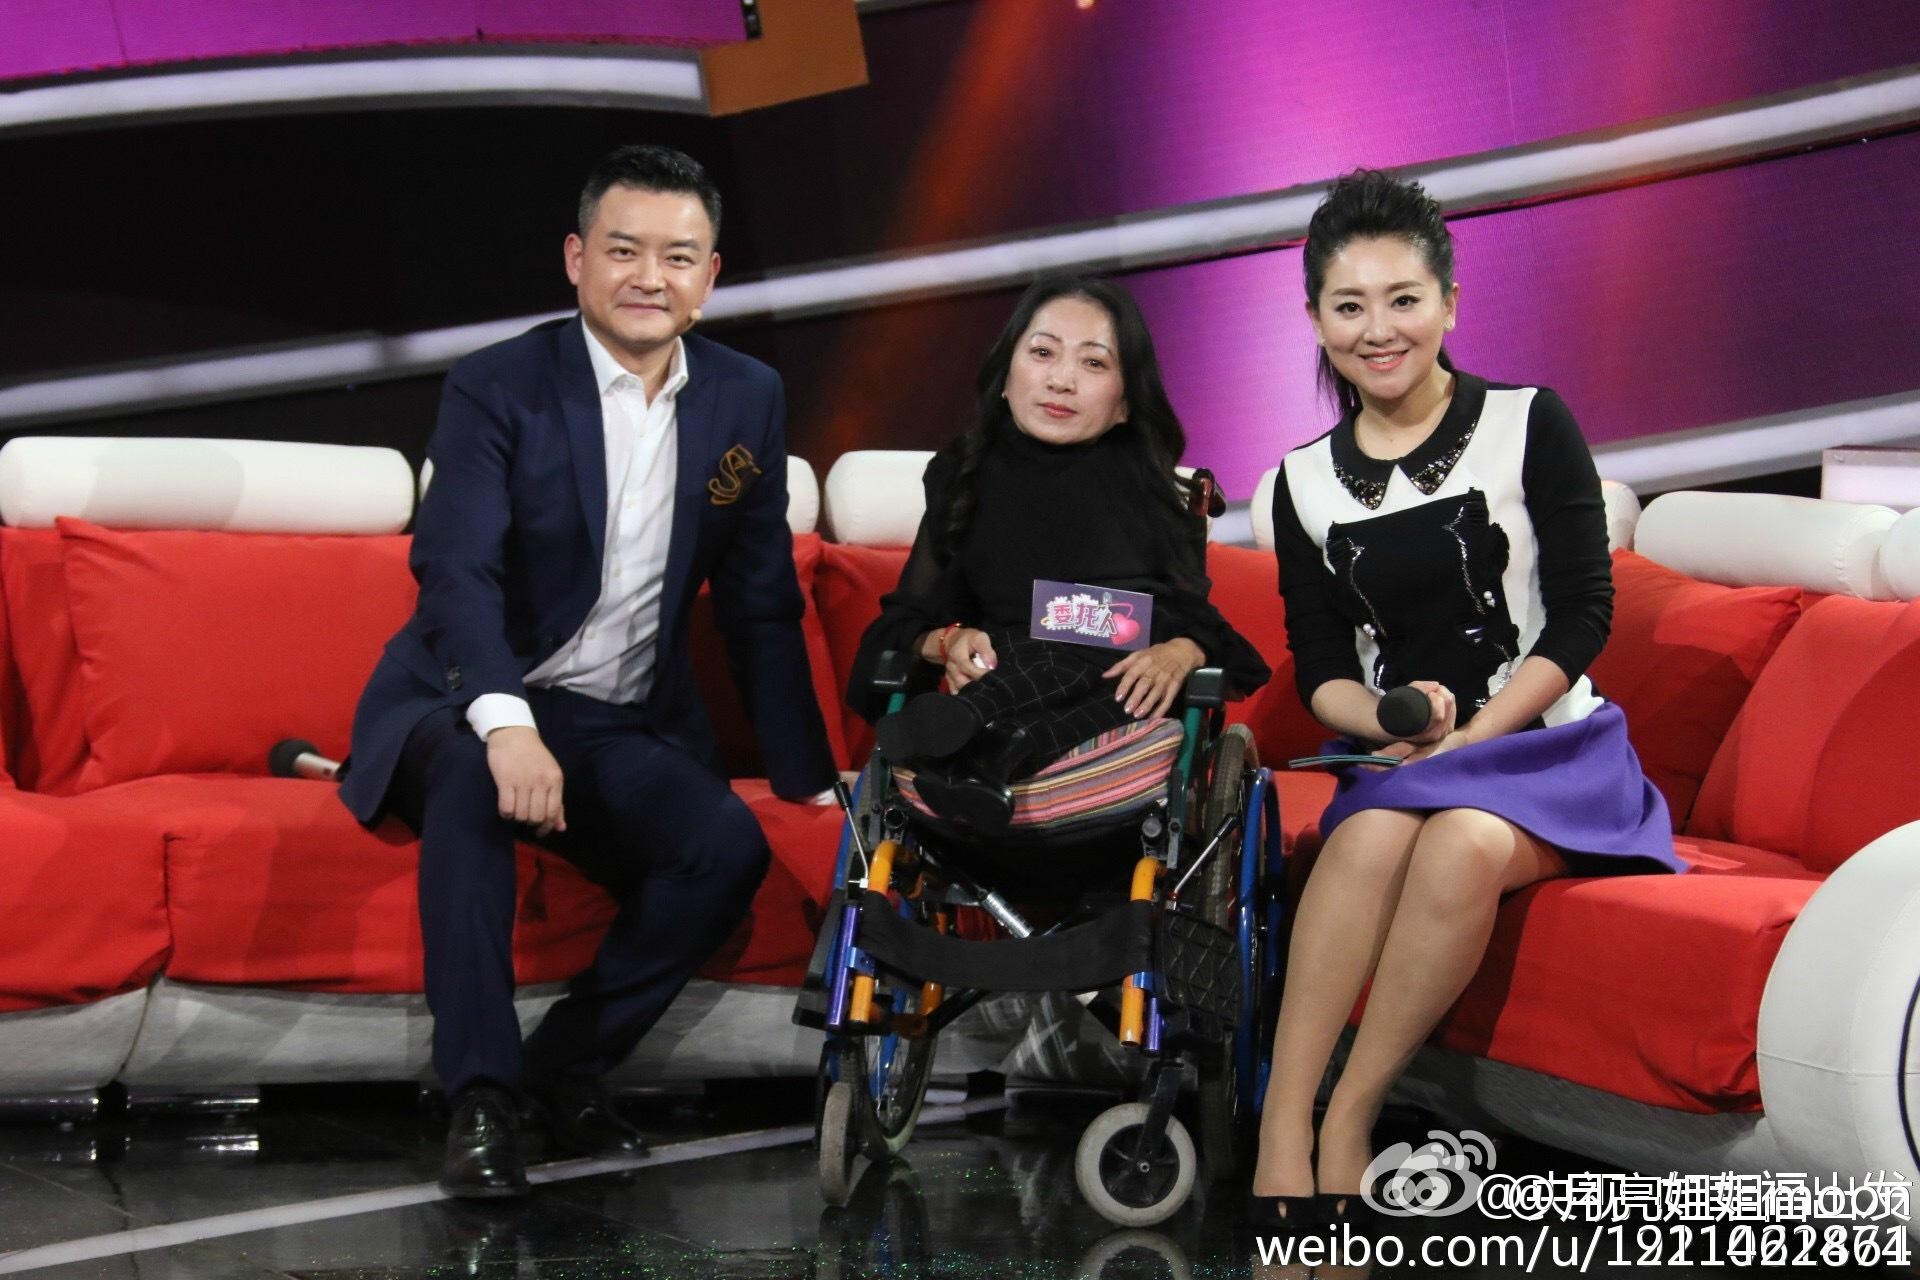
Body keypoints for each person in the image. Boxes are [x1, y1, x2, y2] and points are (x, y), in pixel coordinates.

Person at [338, 144, 839, 1198]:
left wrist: (809, 777)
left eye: (677, 256)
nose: (649, 277)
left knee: (720, 849)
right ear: (576, 259)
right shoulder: (498, 384)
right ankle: (479, 1098)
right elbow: (457, 571)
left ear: (709, 276)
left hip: (615, 717)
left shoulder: (745, 396)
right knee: (471, 779)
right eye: (623, 250)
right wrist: (507, 722)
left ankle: (557, 1072)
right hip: (461, 696)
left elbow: (759, 602)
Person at [1250, 171, 1687, 1226]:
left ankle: (1352, 1117)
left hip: (1548, 751)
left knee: (1461, 843)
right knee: (1363, 840)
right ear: (1315, 320)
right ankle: (1280, 1127)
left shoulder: (1531, 421)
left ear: (1449, 302)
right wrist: (1389, 722)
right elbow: (1321, 671)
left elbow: (1583, 616)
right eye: (1349, 306)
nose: (1379, 329)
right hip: (1413, 758)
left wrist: (1477, 736)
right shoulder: (1299, 482)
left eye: (1404, 299)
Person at [850, 276, 1268, 834]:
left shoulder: (1160, 495)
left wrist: (1182, 651)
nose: (1061, 380)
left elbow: (1200, 622)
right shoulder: (963, 478)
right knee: (1035, 645)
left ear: (1125, 403)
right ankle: (978, 742)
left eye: (1093, 363)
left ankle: (975, 739)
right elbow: (906, 619)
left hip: (1114, 693)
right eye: (1043, 353)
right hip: (1009, 667)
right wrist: (944, 642)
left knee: (1093, 649)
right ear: (1005, 376)